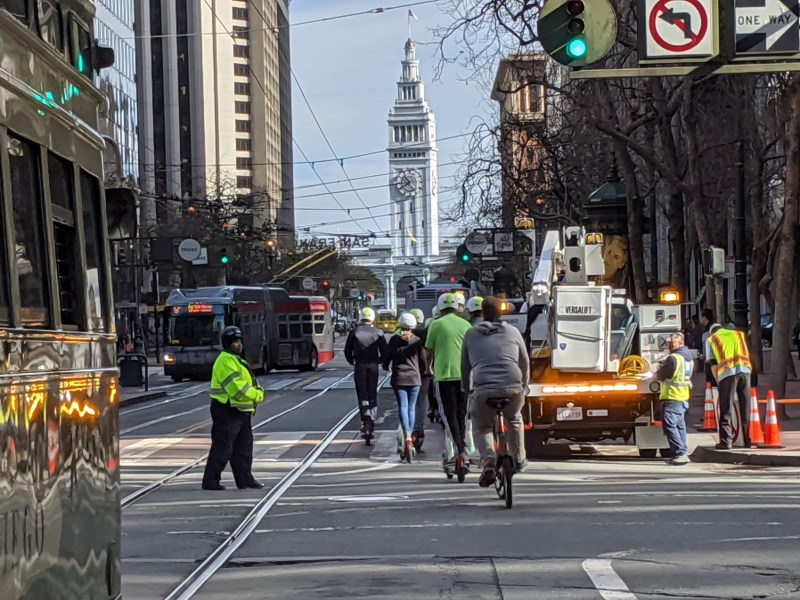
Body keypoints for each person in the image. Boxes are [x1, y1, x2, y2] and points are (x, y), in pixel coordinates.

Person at [461, 296, 530, 487]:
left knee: (482, 426)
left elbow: (465, 367)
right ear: (503, 311)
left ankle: (489, 460)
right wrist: (524, 385)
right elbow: (524, 362)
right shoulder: (513, 332)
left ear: (482, 312)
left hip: (483, 389)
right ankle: (519, 458)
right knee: (514, 418)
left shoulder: (471, 334)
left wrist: (467, 389)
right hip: (513, 386)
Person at [202, 326, 266, 491]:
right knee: (223, 447)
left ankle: (245, 479)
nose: (239, 345)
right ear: (227, 344)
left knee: (244, 448)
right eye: (235, 342)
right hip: (227, 410)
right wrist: (258, 395)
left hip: (241, 412)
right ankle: (211, 481)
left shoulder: (235, 360)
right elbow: (238, 390)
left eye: (239, 341)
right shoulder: (225, 361)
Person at [425, 293, 473, 464]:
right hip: (464, 376)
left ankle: (460, 448)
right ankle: (463, 444)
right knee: (462, 412)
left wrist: (429, 366)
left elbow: (429, 351)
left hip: (444, 375)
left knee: (448, 414)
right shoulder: (466, 324)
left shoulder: (435, 325)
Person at [384, 312, 426, 462]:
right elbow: (423, 361)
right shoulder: (417, 341)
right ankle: (411, 435)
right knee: (412, 407)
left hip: (399, 378)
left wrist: (386, 366)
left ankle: (407, 435)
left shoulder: (394, 340)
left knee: (403, 406)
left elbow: (386, 359)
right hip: (414, 378)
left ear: (400, 324)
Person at [344, 307, 387, 436]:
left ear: (361, 317)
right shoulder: (378, 332)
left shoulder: (354, 332)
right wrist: (380, 360)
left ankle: (365, 420)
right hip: (373, 365)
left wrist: (351, 360)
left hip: (360, 366)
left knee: (362, 393)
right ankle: (372, 420)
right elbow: (385, 351)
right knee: (372, 393)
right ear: (372, 318)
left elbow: (347, 351)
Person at [708, 325, 752, 449]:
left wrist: (718, 382)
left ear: (712, 332)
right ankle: (747, 440)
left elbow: (713, 365)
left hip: (727, 373)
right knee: (745, 406)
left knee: (726, 408)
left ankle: (726, 441)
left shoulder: (712, 339)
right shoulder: (738, 334)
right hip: (745, 371)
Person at [656, 332, 694, 465]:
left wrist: (658, 370)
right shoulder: (688, 358)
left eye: (673, 343)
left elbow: (662, 375)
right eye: (669, 343)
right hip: (682, 396)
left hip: (673, 395)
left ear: (681, 343)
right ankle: (682, 452)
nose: (670, 345)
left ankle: (680, 453)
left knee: (669, 424)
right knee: (679, 426)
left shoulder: (673, 358)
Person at [410, 308, 433, 444]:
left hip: (409, 373)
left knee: (408, 402)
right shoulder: (427, 333)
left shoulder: (402, 334)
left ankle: (408, 429)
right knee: (421, 400)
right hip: (424, 372)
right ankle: (419, 428)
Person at [699, 309, 719, 385]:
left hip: (711, 362)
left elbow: (707, 350)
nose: (700, 319)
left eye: (700, 317)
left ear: (704, 317)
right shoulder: (715, 328)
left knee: (711, 383)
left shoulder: (708, 332)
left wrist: (703, 355)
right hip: (718, 360)